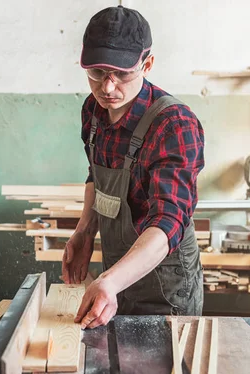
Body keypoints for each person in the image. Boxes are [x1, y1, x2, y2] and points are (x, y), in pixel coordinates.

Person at [62, 5, 205, 329]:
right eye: (97, 73)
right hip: (116, 281)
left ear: (147, 64)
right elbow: (97, 176)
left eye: (121, 74)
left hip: (166, 292)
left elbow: (169, 218)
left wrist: (110, 282)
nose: (107, 88)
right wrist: (85, 232)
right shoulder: (93, 110)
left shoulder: (174, 124)